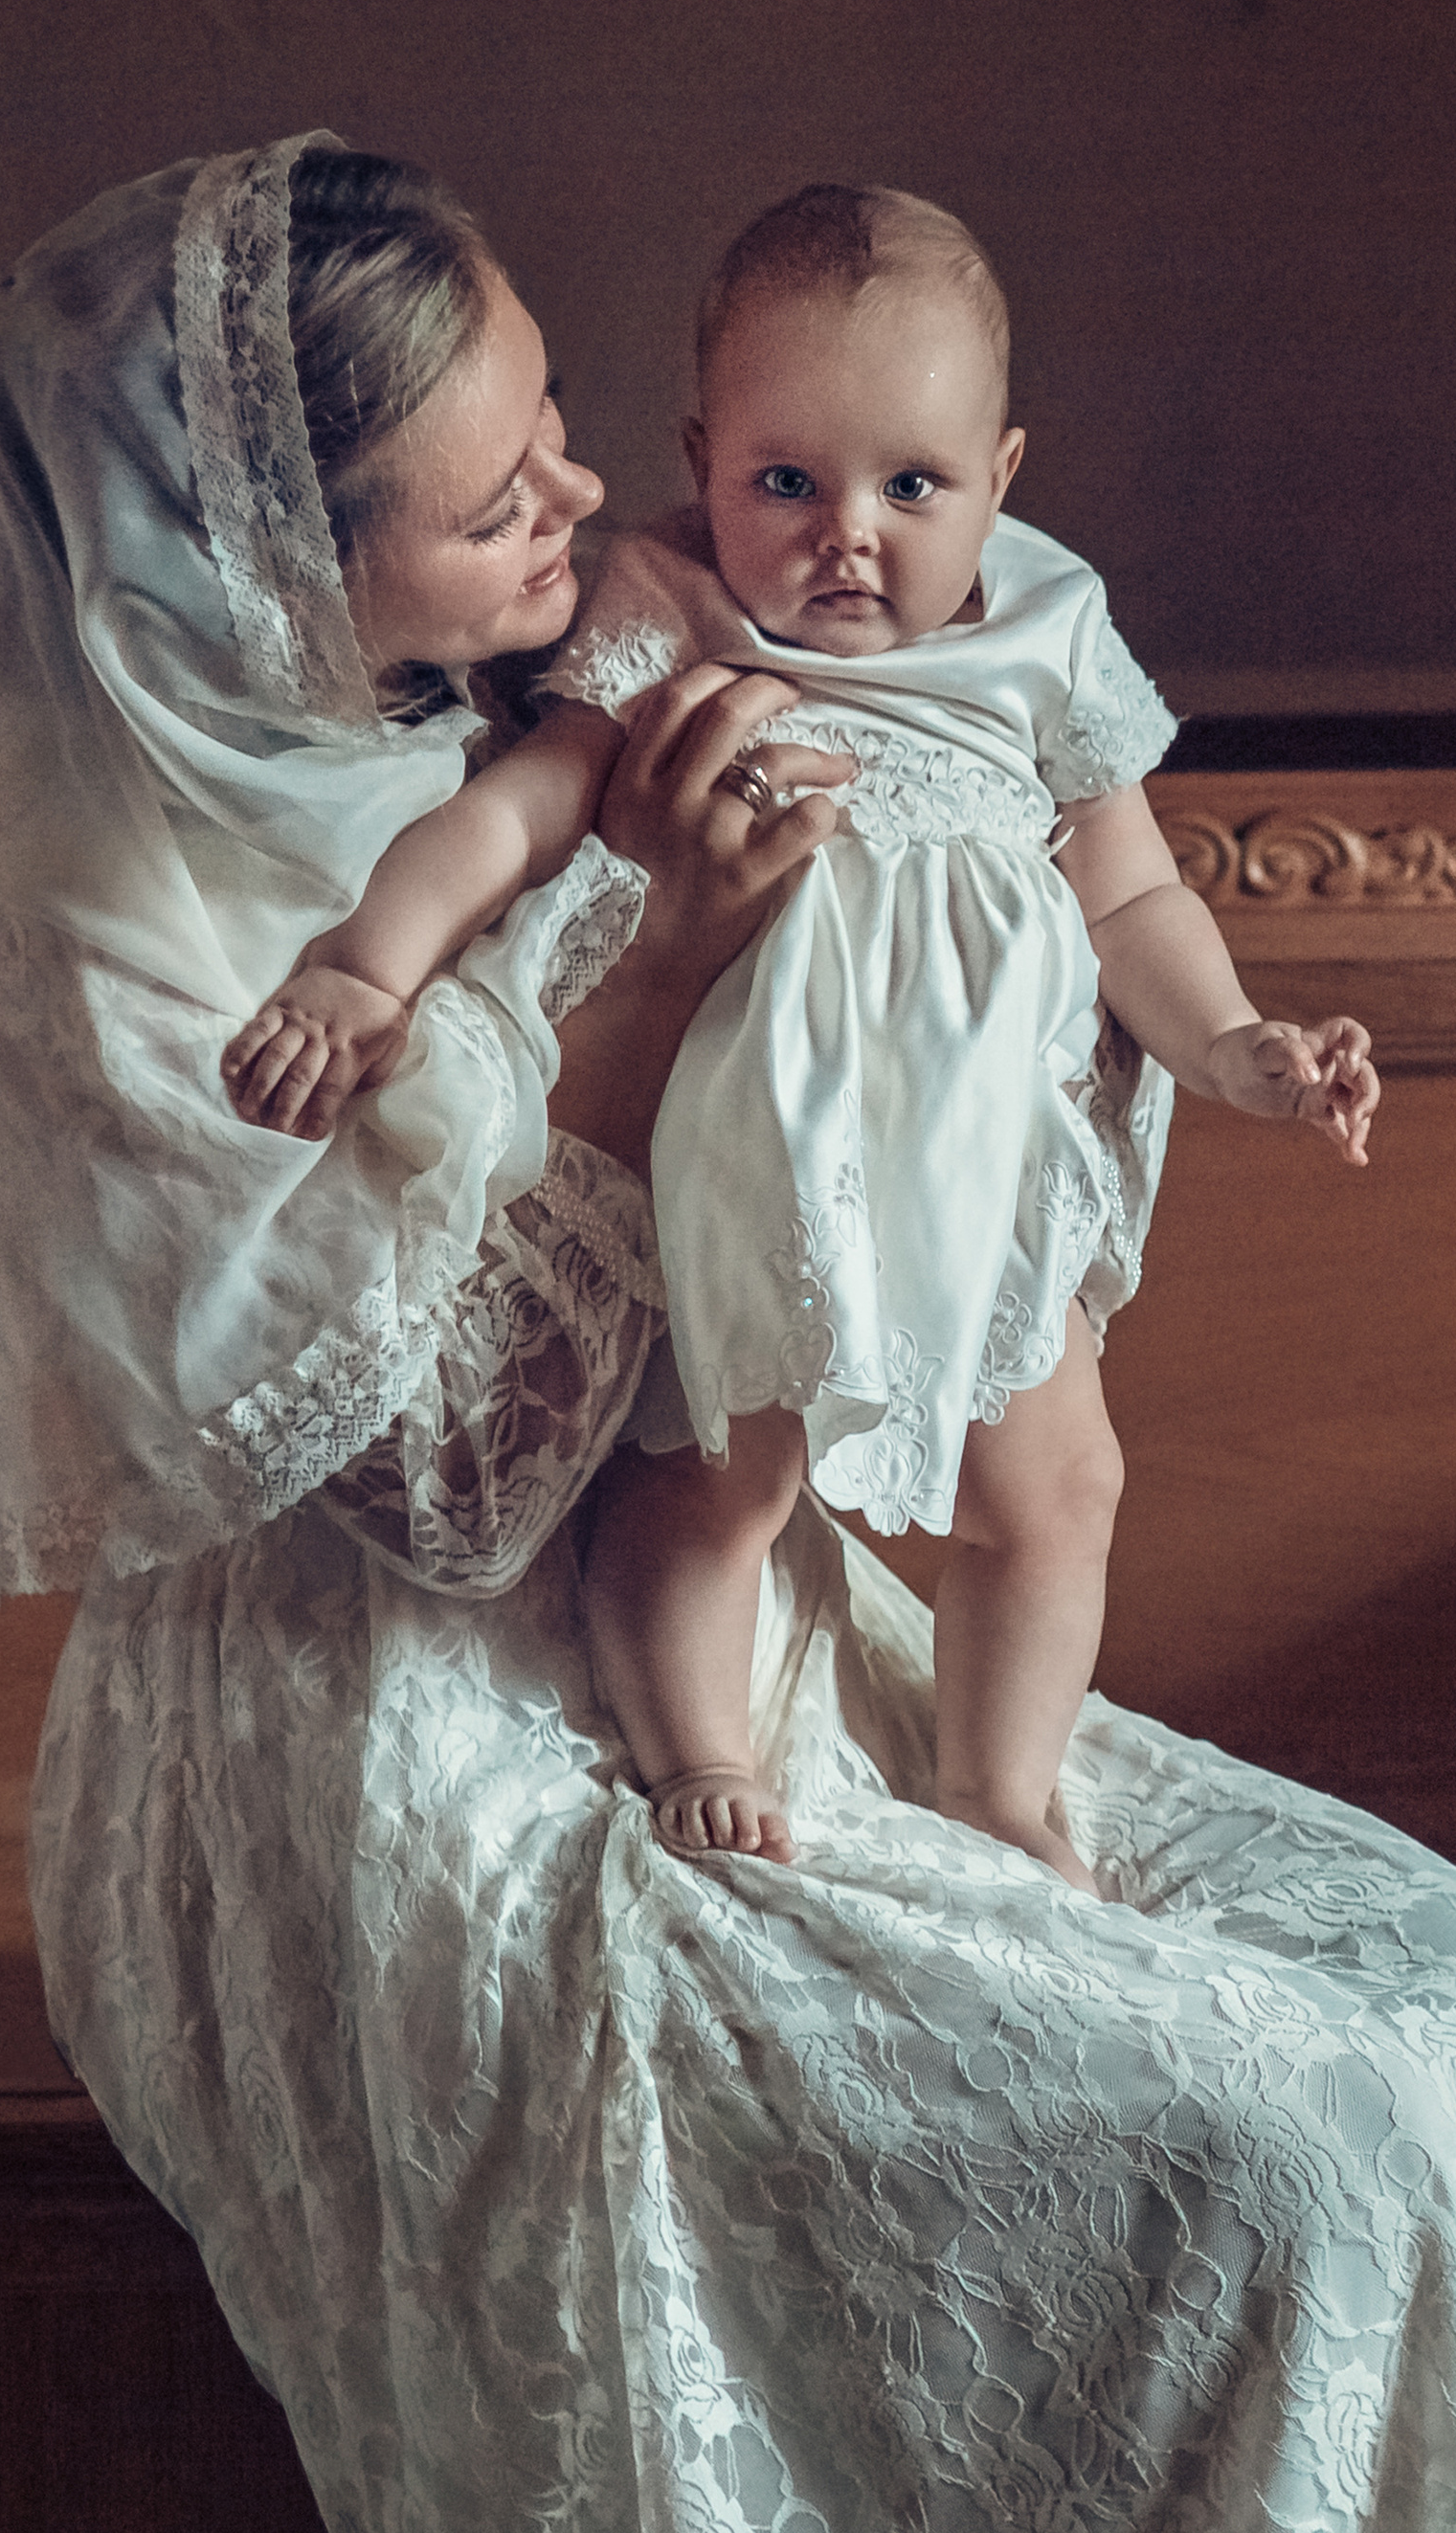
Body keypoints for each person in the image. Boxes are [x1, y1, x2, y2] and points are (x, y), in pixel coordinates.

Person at [0, 128, 1456, 2533]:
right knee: (1283, 2156)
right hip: (382, 1735)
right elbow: (428, 1482)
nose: (578, 512)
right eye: (498, 491)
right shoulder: (124, 921)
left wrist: (1083, 1021)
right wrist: (653, 984)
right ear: (274, 542)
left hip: (733, 1546)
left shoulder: (560, 666)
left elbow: (1010, 937)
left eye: (557, 446)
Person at [221, 186, 1379, 1889]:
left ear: (1004, 469)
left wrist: (1235, 1047)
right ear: (703, 460)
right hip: (750, 1150)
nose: (849, 533)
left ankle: (998, 1783)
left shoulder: (1050, 633)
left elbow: (1135, 901)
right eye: (787, 481)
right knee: (716, 1476)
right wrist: (363, 963)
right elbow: (511, 822)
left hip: (982, 1162)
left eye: (914, 485)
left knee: (1062, 1484)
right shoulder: (676, 611)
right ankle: (700, 1745)